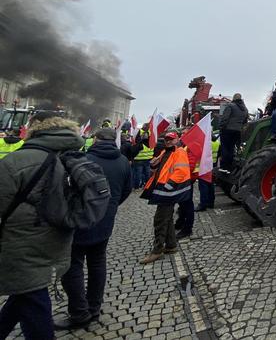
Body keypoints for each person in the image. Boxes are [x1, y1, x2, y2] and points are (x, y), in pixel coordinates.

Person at [0, 111, 84, 340]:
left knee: (34, 301)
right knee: (24, 295)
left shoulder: (18, 160)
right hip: (57, 239)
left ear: (34, 127)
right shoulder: (75, 157)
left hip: (22, 242)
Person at [54, 128, 131, 330]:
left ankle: (79, 312)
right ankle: (94, 307)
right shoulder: (123, 161)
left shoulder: (83, 160)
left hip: (81, 221)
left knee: (72, 266)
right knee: (97, 263)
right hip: (106, 221)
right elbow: (126, 190)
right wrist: (110, 207)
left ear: (95, 139)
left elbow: (65, 191)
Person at [139, 131, 192, 264]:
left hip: (168, 191)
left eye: (171, 139)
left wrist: (169, 185)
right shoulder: (166, 151)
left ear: (177, 139)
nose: (168, 141)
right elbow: (158, 167)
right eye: (166, 139)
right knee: (166, 219)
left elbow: (182, 171)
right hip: (163, 190)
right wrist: (153, 163)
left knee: (160, 220)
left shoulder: (179, 151)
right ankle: (171, 245)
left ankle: (157, 251)